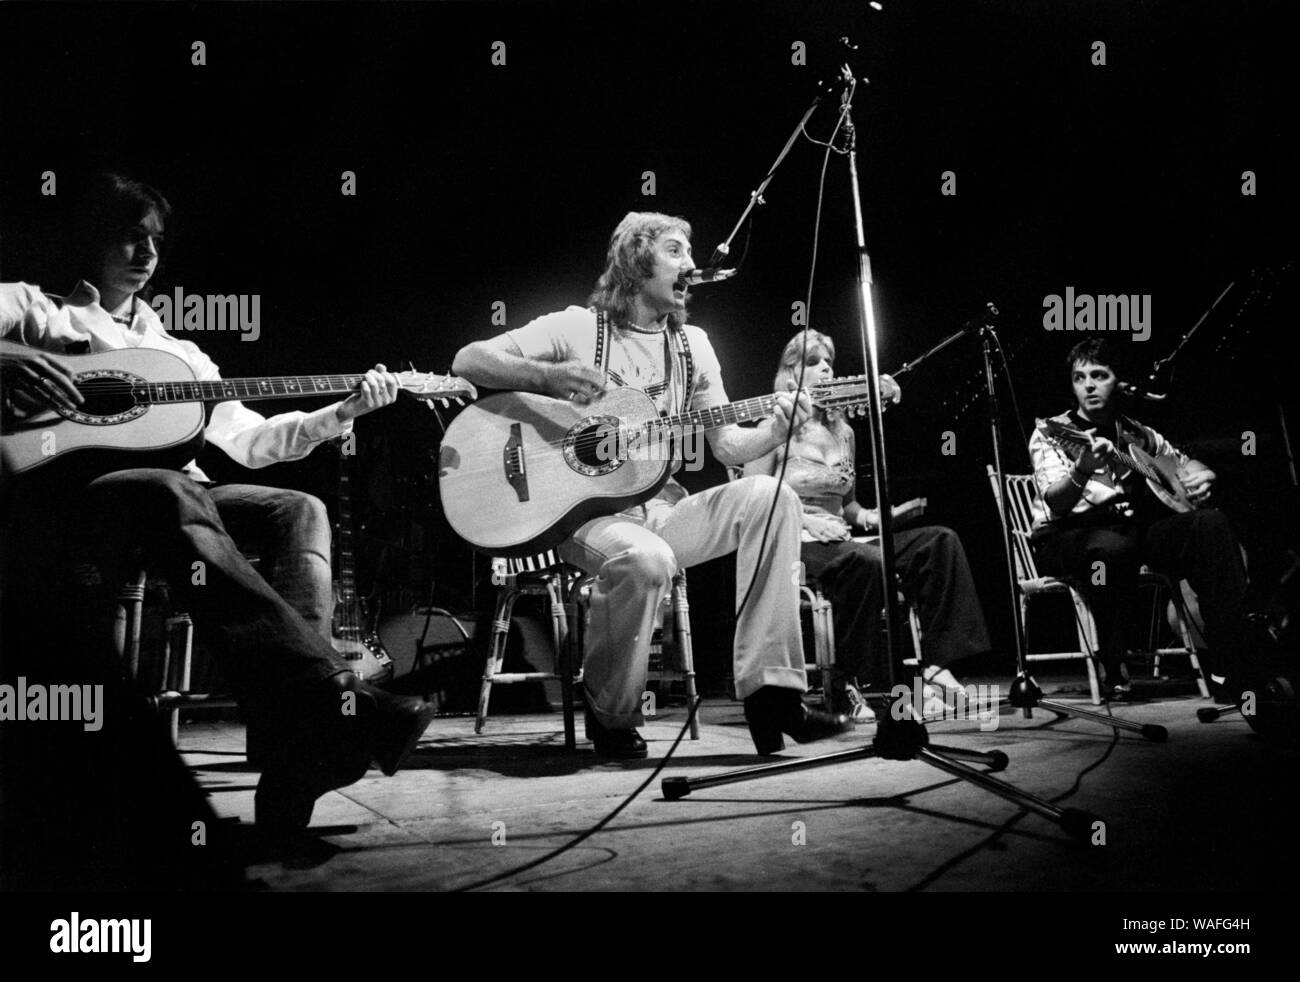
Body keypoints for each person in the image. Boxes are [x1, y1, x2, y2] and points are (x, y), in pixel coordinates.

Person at [0, 172, 438, 835]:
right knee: (171, 488)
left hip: (179, 501)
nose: (147, 253)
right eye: (129, 236)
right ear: (91, 237)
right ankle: (324, 710)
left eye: (156, 240)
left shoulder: (180, 356)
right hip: (68, 498)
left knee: (298, 509)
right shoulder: (36, 309)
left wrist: (342, 412)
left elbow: (252, 440)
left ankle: (294, 745)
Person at [451, 211, 852, 757]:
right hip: (581, 516)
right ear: (638, 262)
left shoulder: (694, 346)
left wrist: (775, 429)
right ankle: (612, 716)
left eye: (689, 252)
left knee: (771, 497)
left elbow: (728, 446)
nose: (691, 263)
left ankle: (772, 694)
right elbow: (467, 360)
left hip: (661, 511)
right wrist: (547, 377)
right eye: (675, 250)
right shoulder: (577, 328)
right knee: (645, 560)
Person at [745, 330, 991, 718]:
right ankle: (847, 682)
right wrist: (807, 517)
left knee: (940, 541)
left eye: (828, 361)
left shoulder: (845, 432)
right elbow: (752, 497)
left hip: (840, 538)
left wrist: (877, 517)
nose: (825, 368)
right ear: (791, 372)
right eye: (813, 362)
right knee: (867, 562)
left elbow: (848, 507)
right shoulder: (773, 427)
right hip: (793, 538)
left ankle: (937, 667)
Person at [1028, 337, 1249, 699]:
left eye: (1099, 375)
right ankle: (1112, 662)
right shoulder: (1053, 431)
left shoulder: (1137, 431)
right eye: (1079, 377)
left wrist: (1202, 474)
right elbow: (1057, 501)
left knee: (1209, 524)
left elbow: (1180, 461)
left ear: (1119, 382)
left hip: (1130, 531)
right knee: (1111, 550)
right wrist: (1082, 470)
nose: (1088, 385)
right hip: (1068, 536)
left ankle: (1231, 661)